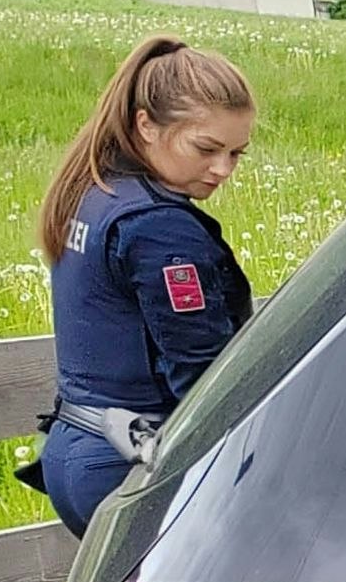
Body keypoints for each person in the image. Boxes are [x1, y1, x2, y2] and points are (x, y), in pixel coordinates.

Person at [29, 37, 258, 534]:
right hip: (131, 464)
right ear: (146, 124)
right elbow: (202, 375)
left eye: (237, 154)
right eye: (207, 148)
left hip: (76, 447)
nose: (223, 169)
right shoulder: (159, 227)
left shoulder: (93, 193)